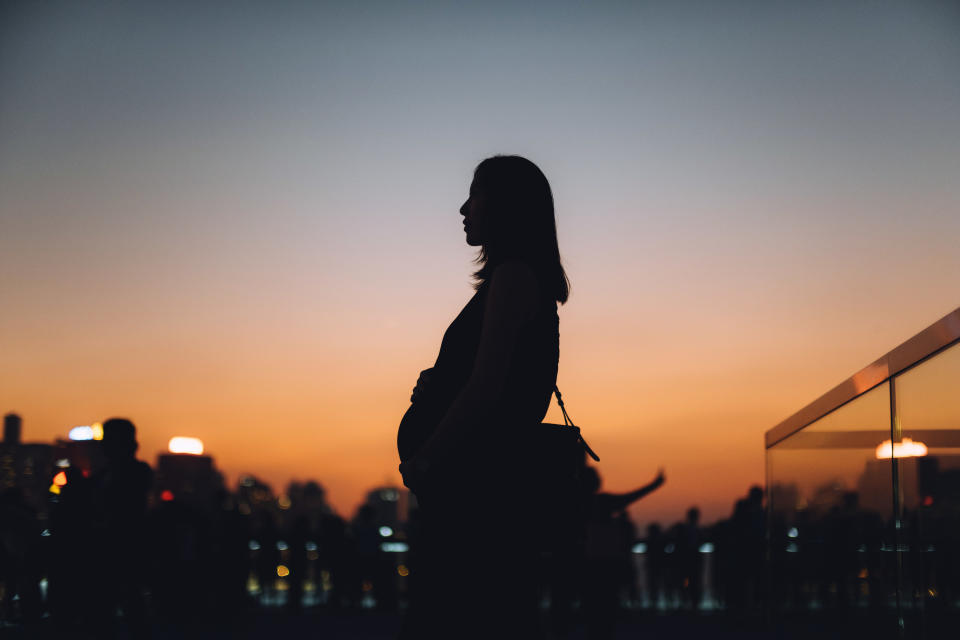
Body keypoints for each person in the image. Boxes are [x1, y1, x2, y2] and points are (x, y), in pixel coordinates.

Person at [397, 155, 569, 640]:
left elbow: (489, 388)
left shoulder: (514, 277)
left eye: (474, 194)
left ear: (504, 206)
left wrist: (427, 459)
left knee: (451, 618)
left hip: (476, 496)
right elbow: (487, 375)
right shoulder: (510, 280)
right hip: (476, 491)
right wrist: (439, 383)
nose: (462, 208)